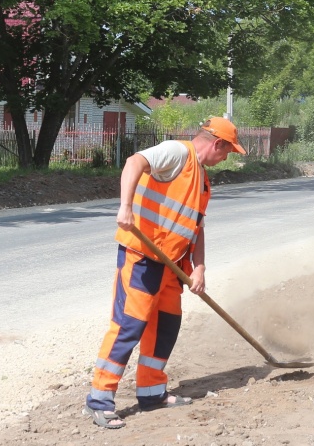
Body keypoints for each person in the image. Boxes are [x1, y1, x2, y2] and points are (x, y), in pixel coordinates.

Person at [83, 117, 246, 429]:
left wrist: (199, 267)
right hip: (143, 258)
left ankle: (152, 392)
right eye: (227, 151)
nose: (226, 158)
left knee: (165, 328)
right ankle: (99, 399)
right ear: (217, 143)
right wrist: (125, 206)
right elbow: (134, 162)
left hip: (173, 267)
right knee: (128, 326)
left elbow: (196, 227)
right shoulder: (177, 152)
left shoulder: (202, 180)